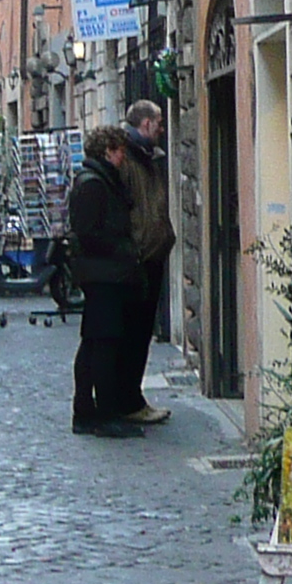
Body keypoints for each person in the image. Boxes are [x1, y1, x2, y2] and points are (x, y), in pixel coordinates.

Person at [68, 125, 145, 436]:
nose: (123, 156)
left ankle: (90, 410)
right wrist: (123, 249)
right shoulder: (92, 185)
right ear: (106, 151)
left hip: (106, 272)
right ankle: (98, 413)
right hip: (103, 275)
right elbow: (89, 233)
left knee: (96, 343)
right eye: (119, 150)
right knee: (101, 344)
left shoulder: (101, 181)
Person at [118, 100, 177, 425]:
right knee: (134, 333)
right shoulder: (128, 159)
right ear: (145, 125)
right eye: (158, 123)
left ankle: (130, 398)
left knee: (139, 333)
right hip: (139, 257)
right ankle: (129, 401)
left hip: (149, 253)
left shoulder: (144, 157)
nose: (162, 129)